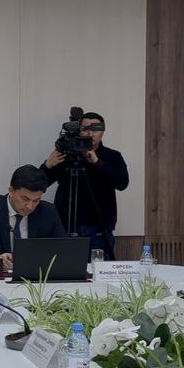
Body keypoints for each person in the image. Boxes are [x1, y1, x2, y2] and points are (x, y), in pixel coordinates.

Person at [40, 111, 129, 259]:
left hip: (98, 231)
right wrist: (48, 164)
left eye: (96, 129)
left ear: (102, 132)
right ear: (78, 131)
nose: (90, 133)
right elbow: (39, 185)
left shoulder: (112, 156)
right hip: (64, 228)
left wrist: (97, 163)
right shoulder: (66, 155)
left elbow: (122, 183)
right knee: (64, 271)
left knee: (98, 272)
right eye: (86, 129)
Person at [0, 164, 65, 272]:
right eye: (25, 199)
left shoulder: (48, 212)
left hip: (37, 275)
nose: (30, 206)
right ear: (11, 191)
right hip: (0, 276)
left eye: (36, 200)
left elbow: (63, 250)